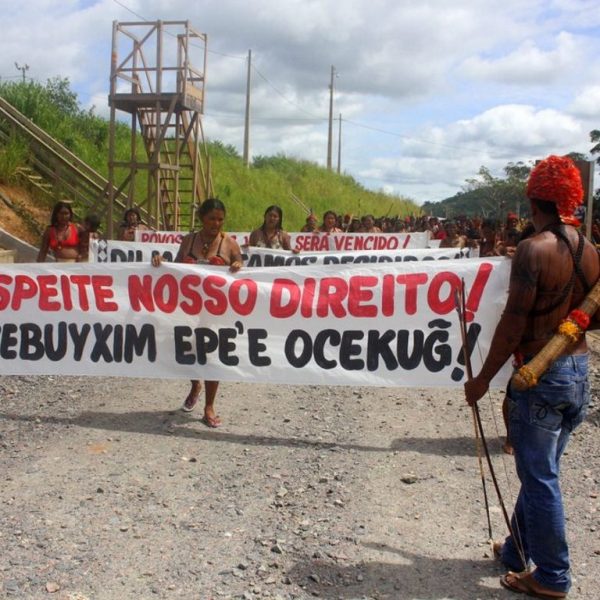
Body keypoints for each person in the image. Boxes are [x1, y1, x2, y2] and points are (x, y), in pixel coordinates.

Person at [464, 155, 599, 599]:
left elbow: (512, 323)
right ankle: (515, 552)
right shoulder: (590, 251)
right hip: (578, 371)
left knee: (540, 478)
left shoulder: (533, 249)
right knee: (541, 470)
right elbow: (593, 319)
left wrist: (482, 379)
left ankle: (553, 575)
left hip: (541, 375)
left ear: (533, 201)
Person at [151, 198, 242, 428]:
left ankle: (209, 406)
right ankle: (195, 384)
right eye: (212, 219)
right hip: (188, 309)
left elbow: (241, 267)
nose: (216, 223)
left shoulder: (229, 244)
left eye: (220, 219)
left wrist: (237, 265)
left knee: (211, 355)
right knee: (184, 350)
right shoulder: (188, 241)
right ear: (202, 218)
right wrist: (161, 262)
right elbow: (176, 268)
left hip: (216, 311)